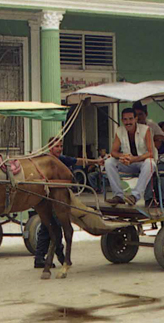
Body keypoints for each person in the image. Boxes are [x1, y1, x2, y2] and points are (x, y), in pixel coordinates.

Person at [34, 137, 103, 268]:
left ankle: (49, 258)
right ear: (50, 147)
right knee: (51, 229)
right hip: (49, 200)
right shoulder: (45, 161)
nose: (59, 149)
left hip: (58, 200)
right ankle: (56, 257)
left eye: (60, 146)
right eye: (56, 146)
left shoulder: (60, 160)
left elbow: (78, 160)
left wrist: (96, 161)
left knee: (50, 228)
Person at [104, 108, 155, 206]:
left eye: (130, 119)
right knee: (109, 162)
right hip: (127, 163)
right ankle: (118, 195)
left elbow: (151, 153)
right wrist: (123, 157)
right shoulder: (119, 130)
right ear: (122, 120)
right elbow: (113, 152)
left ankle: (134, 196)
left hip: (142, 163)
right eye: (125, 119)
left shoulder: (145, 129)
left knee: (150, 163)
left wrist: (134, 159)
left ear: (136, 119)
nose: (128, 122)